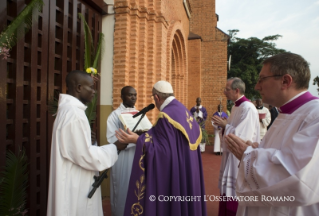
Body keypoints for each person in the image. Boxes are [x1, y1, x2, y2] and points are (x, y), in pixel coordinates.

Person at [225, 52, 319, 216]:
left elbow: (299, 177)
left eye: (262, 79)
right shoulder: (287, 113)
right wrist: (257, 150)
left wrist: (248, 156)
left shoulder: (315, 115)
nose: (257, 86)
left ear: (285, 81)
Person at [116, 81, 207, 216]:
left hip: (176, 171)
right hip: (188, 169)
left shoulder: (166, 116)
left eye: (153, 98)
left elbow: (163, 152)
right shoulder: (182, 109)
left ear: (157, 98)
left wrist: (137, 140)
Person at [47, 70, 121, 216]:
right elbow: (84, 155)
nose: (94, 91)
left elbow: (74, 147)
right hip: (74, 184)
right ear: (79, 87)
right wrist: (115, 147)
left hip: (73, 177)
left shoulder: (68, 111)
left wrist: (90, 140)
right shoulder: (74, 114)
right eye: (91, 87)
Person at [211, 77, 260, 216]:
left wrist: (225, 126)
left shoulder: (248, 108)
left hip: (238, 157)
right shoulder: (235, 106)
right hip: (230, 155)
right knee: (227, 190)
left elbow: (243, 137)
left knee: (235, 190)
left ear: (236, 90)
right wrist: (225, 126)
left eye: (227, 89)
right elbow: (233, 129)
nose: (224, 92)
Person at [107, 86, 139, 216]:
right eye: (130, 95)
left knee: (136, 189)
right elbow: (112, 140)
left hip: (136, 157)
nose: (133, 97)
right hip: (121, 158)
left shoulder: (138, 114)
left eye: (135, 95)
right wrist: (133, 139)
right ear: (122, 96)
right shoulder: (114, 116)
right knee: (121, 188)